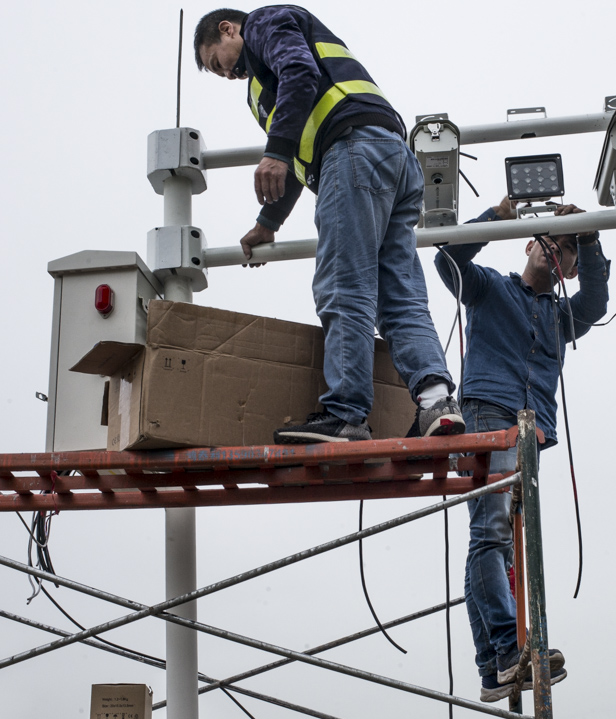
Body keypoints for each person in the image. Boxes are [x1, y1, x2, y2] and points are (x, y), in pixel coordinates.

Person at [194, 6, 463, 443]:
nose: (224, 74)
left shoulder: (264, 23)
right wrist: (269, 221)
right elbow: (302, 158)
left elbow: (299, 72)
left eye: (216, 61)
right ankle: (437, 402)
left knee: (345, 286)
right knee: (399, 295)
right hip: (391, 158)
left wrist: (275, 152)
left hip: (353, 152)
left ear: (228, 29)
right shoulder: (262, 87)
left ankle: (346, 414)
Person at [434, 197, 611, 701]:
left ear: (572, 269)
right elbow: (448, 259)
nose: (558, 247)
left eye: (568, 248)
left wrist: (590, 236)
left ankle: (495, 667)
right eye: (552, 238)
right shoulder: (490, 288)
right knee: (491, 530)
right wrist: (498, 216)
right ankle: (512, 649)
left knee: (493, 537)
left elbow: (595, 303)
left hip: (530, 430)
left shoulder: (563, 315)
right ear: (531, 243)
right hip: (490, 412)